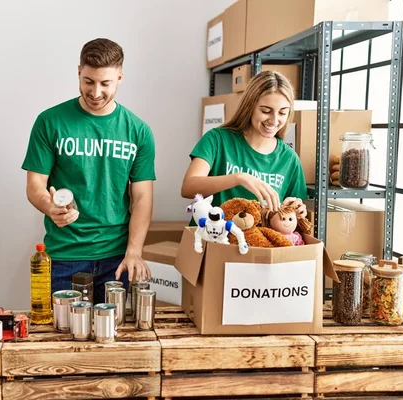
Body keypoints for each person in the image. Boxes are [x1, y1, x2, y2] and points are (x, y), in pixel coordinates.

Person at [22, 38, 156, 302]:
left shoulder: (139, 131)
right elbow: (35, 186)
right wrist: (49, 206)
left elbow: (142, 198)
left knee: (112, 337)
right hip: (64, 256)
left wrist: (134, 251)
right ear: (79, 72)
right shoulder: (49, 122)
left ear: (120, 77)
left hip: (116, 258)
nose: (95, 92)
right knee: (60, 338)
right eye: (88, 81)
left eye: (105, 83)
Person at [181, 71, 307, 219]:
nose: (274, 120)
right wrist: (239, 178)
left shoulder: (289, 158)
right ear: (249, 107)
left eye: (282, 113)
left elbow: (294, 211)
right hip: (213, 237)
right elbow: (188, 188)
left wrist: (298, 208)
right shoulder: (217, 139)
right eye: (266, 111)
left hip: (259, 240)